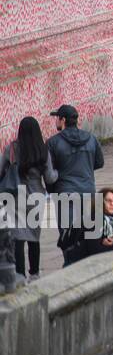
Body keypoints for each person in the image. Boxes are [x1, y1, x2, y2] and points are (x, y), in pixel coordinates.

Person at [46, 104, 104, 266]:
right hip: (89, 192)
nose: (56, 121)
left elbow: (48, 173)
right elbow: (99, 162)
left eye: (57, 118)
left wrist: (53, 191)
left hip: (65, 194)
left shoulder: (53, 143)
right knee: (90, 234)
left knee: (68, 236)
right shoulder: (91, 138)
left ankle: (71, 266)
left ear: (63, 120)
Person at [0, 116, 57, 280]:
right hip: (36, 197)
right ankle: (34, 273)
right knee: (33, 235)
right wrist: (58, 173)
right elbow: (50, 177)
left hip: (16, 196)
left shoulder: (12, 148)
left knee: (17, 235)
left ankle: (19, 274)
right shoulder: (42, 150)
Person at [63, 187, 113, 265]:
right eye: (108, 201)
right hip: (77, 263)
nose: (112, 204)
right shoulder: (95, 219)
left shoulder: (105, 220)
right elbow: (95, 249)